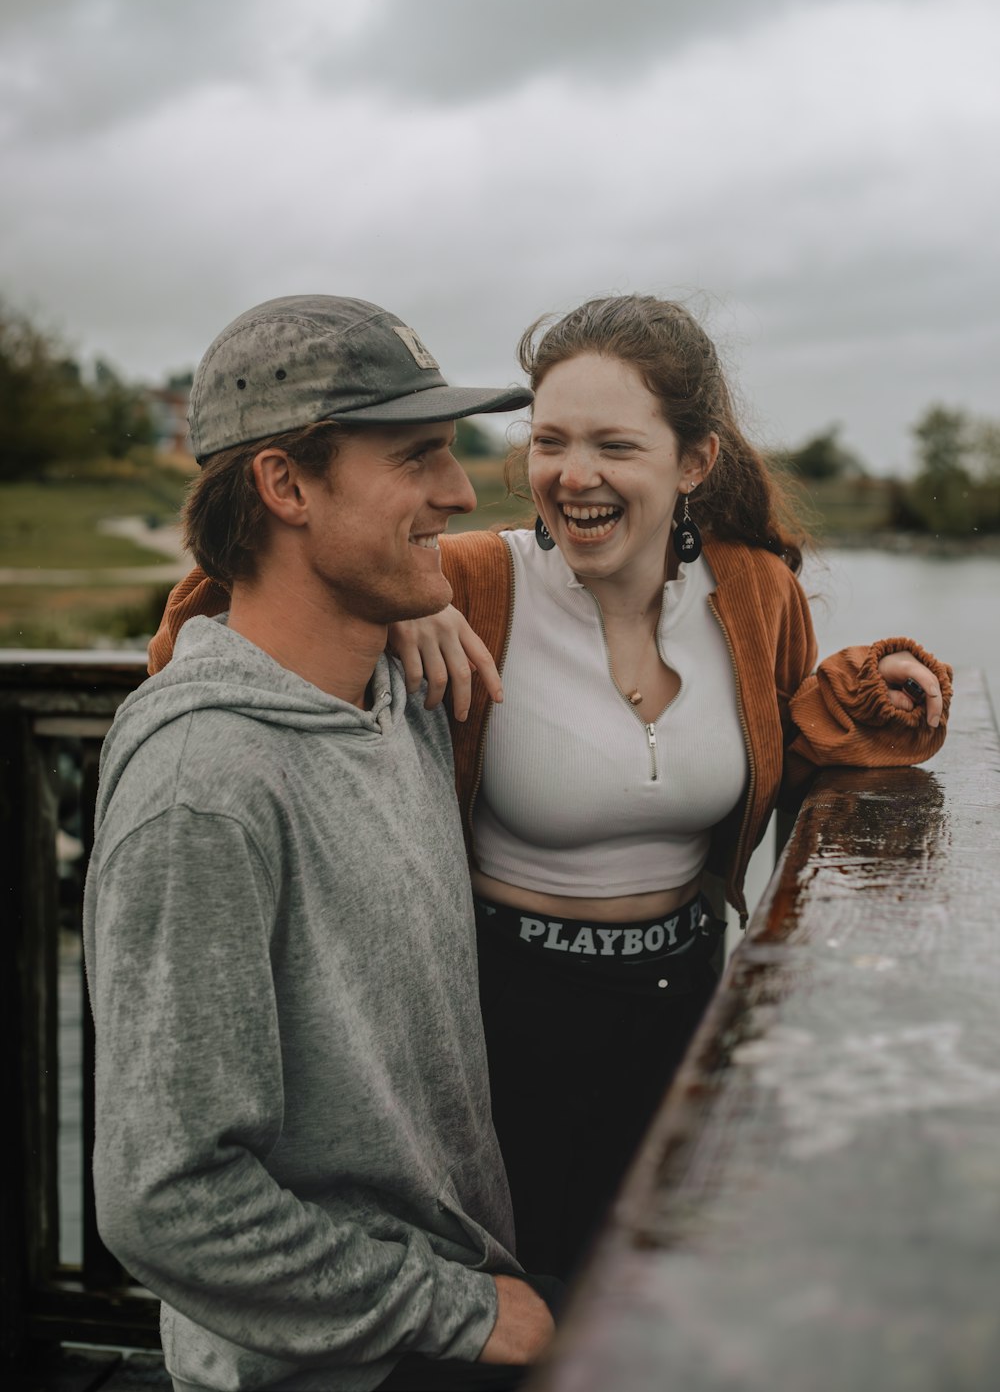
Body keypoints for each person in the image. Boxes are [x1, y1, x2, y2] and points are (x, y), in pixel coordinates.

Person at [149, 293, 951, 1284]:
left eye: (614, 444)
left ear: (691, 461)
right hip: (500, 1023)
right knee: (529, 1305)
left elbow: (784, 733)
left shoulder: (755, 589)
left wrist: (867, 692)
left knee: (661, 1299)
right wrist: (411, 612)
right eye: (549, 440)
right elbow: (232, 590)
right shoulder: (473, 581)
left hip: (689, 1005)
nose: (572, 474)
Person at [83, 294, 559, 1392]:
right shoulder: (203, 787)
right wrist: (458, 1309)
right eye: (417, 456)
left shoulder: (396, 691)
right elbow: (165, 1197)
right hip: (338, 1364)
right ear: (284, 485)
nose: (459, 489)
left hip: (440, 1329)